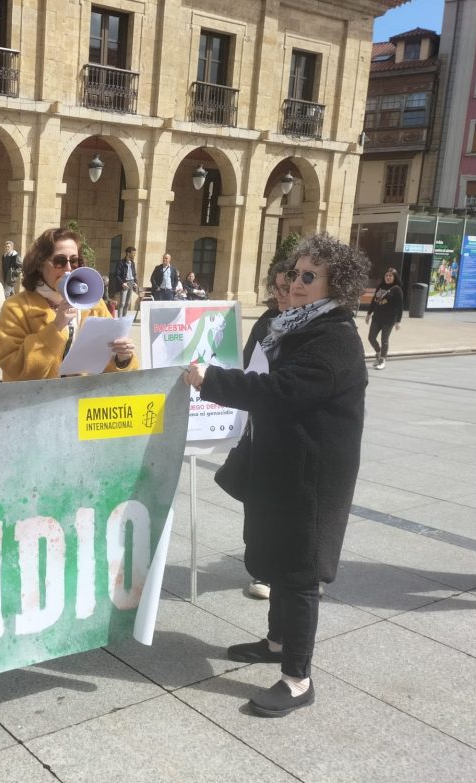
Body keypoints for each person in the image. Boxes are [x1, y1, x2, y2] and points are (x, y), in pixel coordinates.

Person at [184, 233, 369, 718]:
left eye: (310, 276)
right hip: (282, 464)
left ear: (336, 284)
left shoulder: (334, 336)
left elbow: (282, 390)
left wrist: (210, 379)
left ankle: (297, 678)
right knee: (276, 558)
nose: (297, 282)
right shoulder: (293, 326)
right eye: (295, 273)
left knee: (300, 572)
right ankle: (275, 643)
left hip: (313, 475)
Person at [0, 227, 138, 381]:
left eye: (74, 261)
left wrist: (122, 358)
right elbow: (14, 368)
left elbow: (105, 365)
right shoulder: (16, 307)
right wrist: (56, 327)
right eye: (59, 261)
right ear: (40, 264)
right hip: (38, 395)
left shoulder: (94, 304)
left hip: (82, 394)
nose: (68, 268)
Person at [238, 257, 294, 602]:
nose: (283, 294)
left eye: (289, 287)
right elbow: (247, 362)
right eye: (278, 288)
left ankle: (298, 571)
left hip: (299, 427)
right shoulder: (266, 322)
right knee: (259, 500)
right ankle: (262, 568)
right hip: (263, 423)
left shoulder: (317, 325)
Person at [365, 267, 403, 370]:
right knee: (371, 338)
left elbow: (400, 306)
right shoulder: (380, 286)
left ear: (394, 277)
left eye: (390, 276)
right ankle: (379, 353)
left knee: (384, 340)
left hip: (389, 319)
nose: (388, 277)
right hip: (377, 317)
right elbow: (374, 300)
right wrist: (368, 313)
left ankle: (382, 360)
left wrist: (398, 321)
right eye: (386, 275)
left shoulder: (397, 289)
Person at [109, 246, 139, 317]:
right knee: (122, 303)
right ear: (128, 253)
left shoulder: (132, 263)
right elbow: (117, 275)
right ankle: (120, 319)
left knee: (127, 303)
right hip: (125, 283)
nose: (134, 255)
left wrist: (135, 282)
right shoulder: (121, 263)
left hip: (131, 283)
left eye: (135, 253)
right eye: (133, 253)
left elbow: (134, 274)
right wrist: (122, 283)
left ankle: (124, 318)